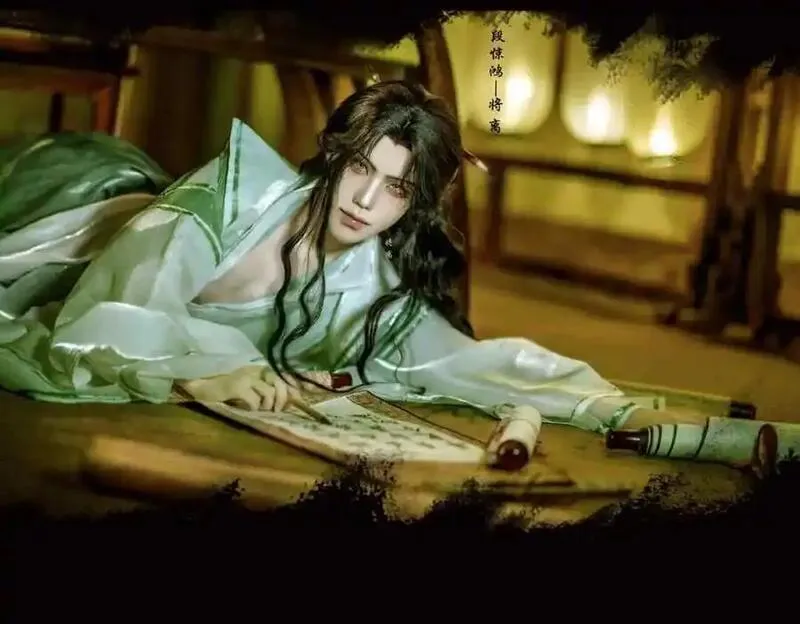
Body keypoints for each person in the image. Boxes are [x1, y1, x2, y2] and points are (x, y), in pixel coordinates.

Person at [0, 80, 689, 434]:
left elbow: (459, 361)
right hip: (76, 206)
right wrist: (196, 375)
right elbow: (113, 308)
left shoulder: (367, 281)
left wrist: (607, 407)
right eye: (360, 166)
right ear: (333, 156)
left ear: (413, 205)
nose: (365, 200)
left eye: (396, 188)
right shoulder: (236, 192)